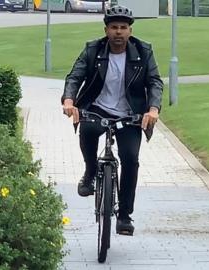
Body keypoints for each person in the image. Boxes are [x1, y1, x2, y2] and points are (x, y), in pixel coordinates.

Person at [61, 5, 163, 236]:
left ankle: (125, 216)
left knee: (130, 159)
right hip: (97, 108)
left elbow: (155, 82)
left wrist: (153, 109)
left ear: (129, 31)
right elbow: (75, 76)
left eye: (123, 28)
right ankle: (89, 173)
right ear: (106, 30)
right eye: (114, 27)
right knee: (87, 131)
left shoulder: (143, 51)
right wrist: (69, 101)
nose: (119, 32)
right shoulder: (92, 49)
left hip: (130, 114)